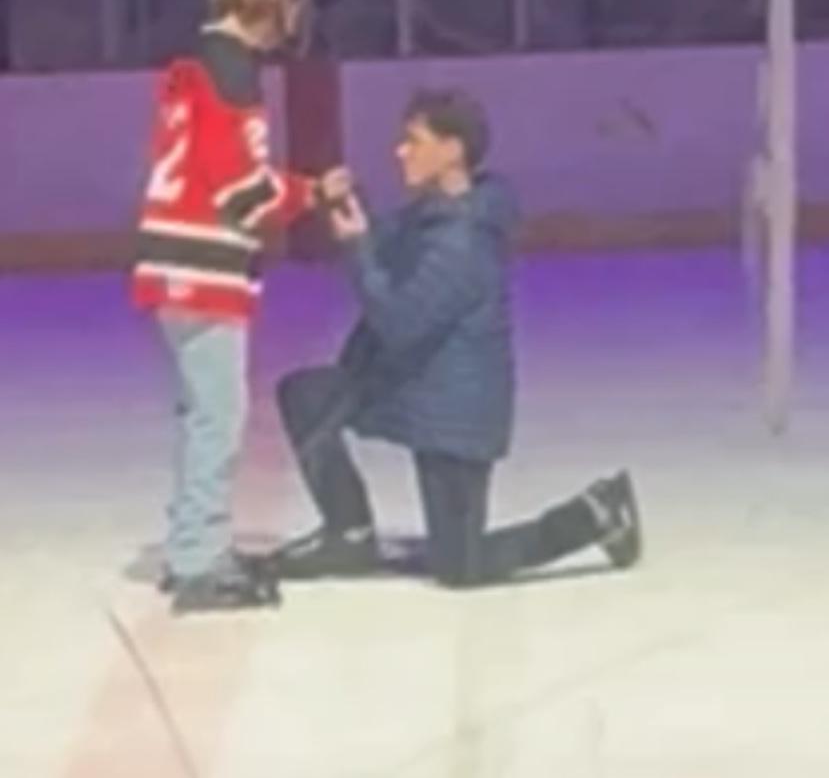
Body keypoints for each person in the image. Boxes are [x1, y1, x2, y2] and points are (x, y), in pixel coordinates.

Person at [272, 88, 642, 587]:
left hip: (454, 414)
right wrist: (350, 205)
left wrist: (356, 247)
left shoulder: (463, 240)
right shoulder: (434, 213)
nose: (399, 151)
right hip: (410, 386)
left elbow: (399, 323)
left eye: (413, 140)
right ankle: (349, 532)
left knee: (459, 566)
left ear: (451, 150)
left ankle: (594, 514)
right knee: (307, 396)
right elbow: (388, 246)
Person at [132, 0, 349, 614]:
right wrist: (311, 192)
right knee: (218, 419)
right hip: (203, 270)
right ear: (268, 10)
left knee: (201, 415)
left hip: (169, 263)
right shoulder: (233, 72)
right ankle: (198, 559)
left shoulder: (192, 64)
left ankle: (190, 546)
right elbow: (241, 194)